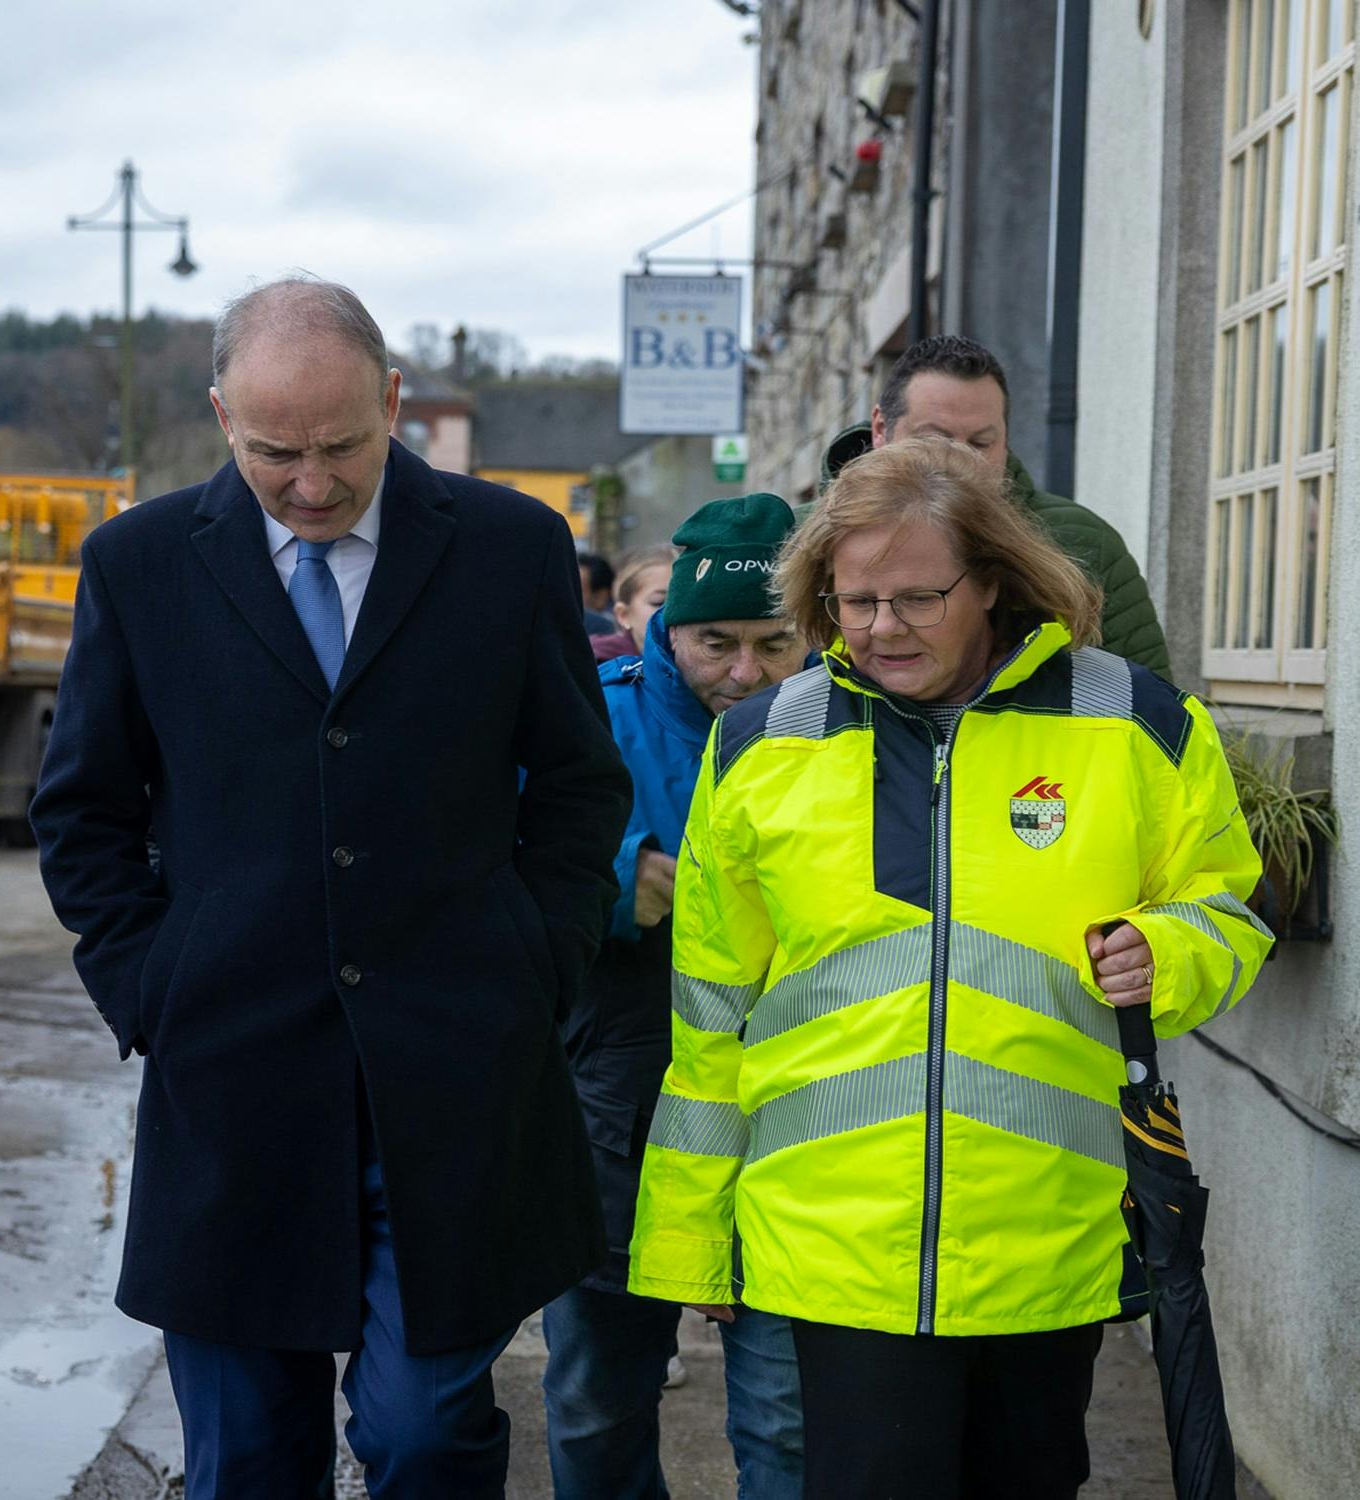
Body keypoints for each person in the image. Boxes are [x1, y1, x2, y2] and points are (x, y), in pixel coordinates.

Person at [30, 276, 633, 1500]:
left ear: (394, 401)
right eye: (274, 452)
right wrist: (153, 989)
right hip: (232, 1081)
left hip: (455, 1070)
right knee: (247, 1457)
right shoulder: (139, 564)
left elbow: (580, 786)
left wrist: (536, 960)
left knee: (425, 1434)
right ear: (219, 418)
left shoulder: (510, 546)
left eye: (343, 446)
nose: (313, 483)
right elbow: (81, 811)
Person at [628, 438, 1272, 1499]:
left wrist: (1171, 950)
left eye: (918, 598)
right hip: (834, 1254)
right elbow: (709, 1012)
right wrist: (693, 1238)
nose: (882, 628)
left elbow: (1226, 904)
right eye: (855, 600)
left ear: (993, 580)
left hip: (1050, 1236)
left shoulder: (1129, 721)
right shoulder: (759, 745)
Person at [544, 494, 808, 1500]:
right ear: (665, 628)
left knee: (786, 1417)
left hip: (792, 1096)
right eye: (716, 644)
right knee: (599, 1393)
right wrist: (620, 878)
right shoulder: (595, 706)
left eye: (772, 643)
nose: (744, 672)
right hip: (620, 1089)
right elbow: (503, 843)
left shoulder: (844, 722)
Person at [822, 334, 1171, 674]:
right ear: (881, 429)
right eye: (934, 440)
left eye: (980, 442)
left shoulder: (1083, 543)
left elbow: (1149, 708)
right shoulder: (797, 538)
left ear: (1005, 440)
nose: (960, 461)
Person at [589, 542, 675, 663]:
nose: (676, 612)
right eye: (659, 602)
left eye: (689, 602)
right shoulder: (596, 666)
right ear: (623, 615)